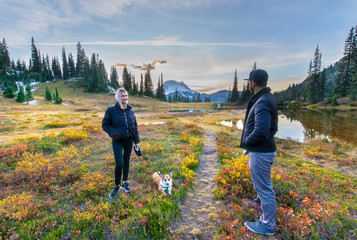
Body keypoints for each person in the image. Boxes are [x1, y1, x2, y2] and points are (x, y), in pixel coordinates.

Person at [240, 69, 278, 236]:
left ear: (253, 83)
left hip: (261, 153)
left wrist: (247, 142)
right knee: (261, 184)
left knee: (264, 187)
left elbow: (261, 132)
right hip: (262, 150)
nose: (249, 84)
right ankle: (258, 202)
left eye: (250, 81)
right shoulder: (265, 98)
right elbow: (270, 129)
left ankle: (268, 225)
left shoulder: (262, 101)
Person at [102, 88, 140, 199]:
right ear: (118, 97)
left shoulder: (130, 110)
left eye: (126, 95)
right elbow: (105, 125)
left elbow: (134, 127)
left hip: (128, 140)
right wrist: (115, 132)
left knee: (126, 161)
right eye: (123, 96)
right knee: (119, 163)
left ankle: (124, 182)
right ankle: (117, 185)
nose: (125, 98)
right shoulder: (111, 110)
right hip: (117, 140)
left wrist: (136, 141)